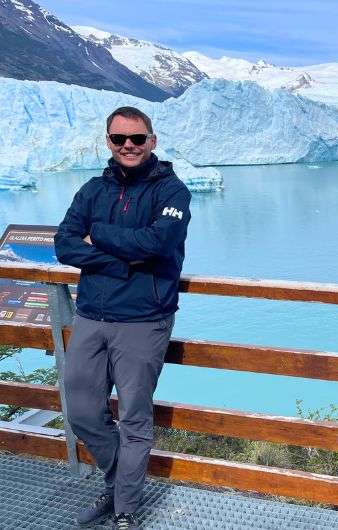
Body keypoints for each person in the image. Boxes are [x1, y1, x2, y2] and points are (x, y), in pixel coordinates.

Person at [54, 106, 191, 530]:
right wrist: (119, 262)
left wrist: (101, 237)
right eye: (119, 139)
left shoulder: (173, 192)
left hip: (144, 318)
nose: (128, 146)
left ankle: (125, 507)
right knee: (80, 409)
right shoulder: (93, 190)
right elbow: (64, 244)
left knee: (133, 416)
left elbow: (156, 242)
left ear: (152, 141)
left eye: (136, 138)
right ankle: (119, 484)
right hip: (93, 313)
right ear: (108, 142)